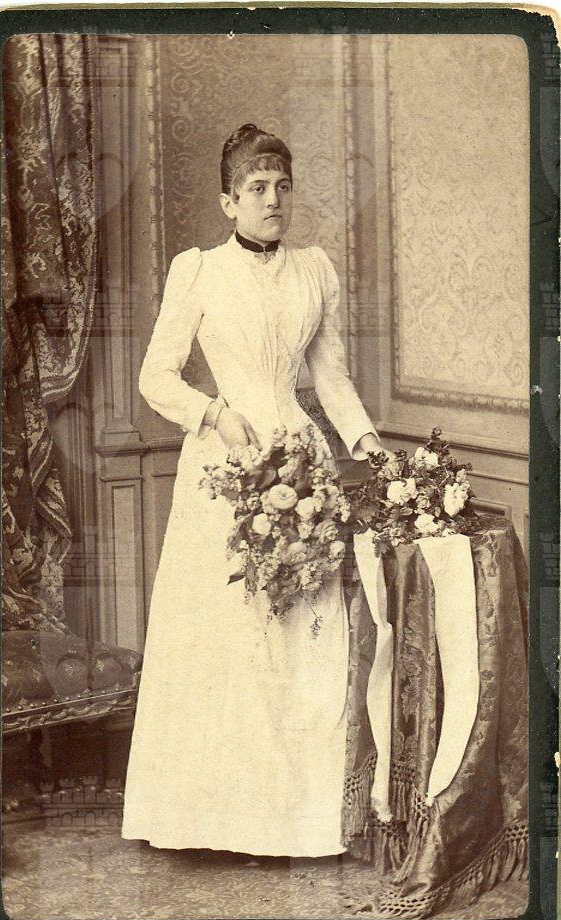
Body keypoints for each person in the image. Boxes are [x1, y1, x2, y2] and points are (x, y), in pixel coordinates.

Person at [121, 123, 390, 858]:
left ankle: (300, 819)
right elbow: (155, 377)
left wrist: (365, 442)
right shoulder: (198, 271)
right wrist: (215, 414)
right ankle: (215, 819)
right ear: (228, 202)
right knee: (230, 634)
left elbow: (330, 376)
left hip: (300, 459)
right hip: (225, 466)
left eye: (282, 186)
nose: (273, 200)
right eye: (257, 188)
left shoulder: (314, 270)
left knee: (305, 627)